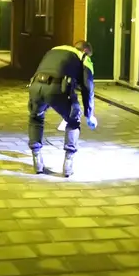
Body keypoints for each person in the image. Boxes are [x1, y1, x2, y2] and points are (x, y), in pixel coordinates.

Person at [27, 41, 98, 177]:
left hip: (35, 86)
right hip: (58, 88)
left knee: (36, 118)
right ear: (85, 51)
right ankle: (68, 164)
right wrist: (89, 114)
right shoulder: (83, 58)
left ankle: (37, 159)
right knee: (73, 120)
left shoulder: (54, 50)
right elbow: (88, 88)